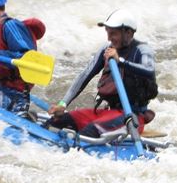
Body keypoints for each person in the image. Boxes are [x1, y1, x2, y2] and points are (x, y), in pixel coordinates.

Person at [46, 9, 158, 137]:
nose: (109, 38)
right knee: (56, 122)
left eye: (113, 33)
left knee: (87, 133)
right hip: (109, 113)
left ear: (128, 33)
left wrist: (120, 61)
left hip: (132, 118)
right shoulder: (107, 49)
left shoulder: (143, 50)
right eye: (108, 33)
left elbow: (149, 70)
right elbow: (84, 76)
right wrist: (63, 104)